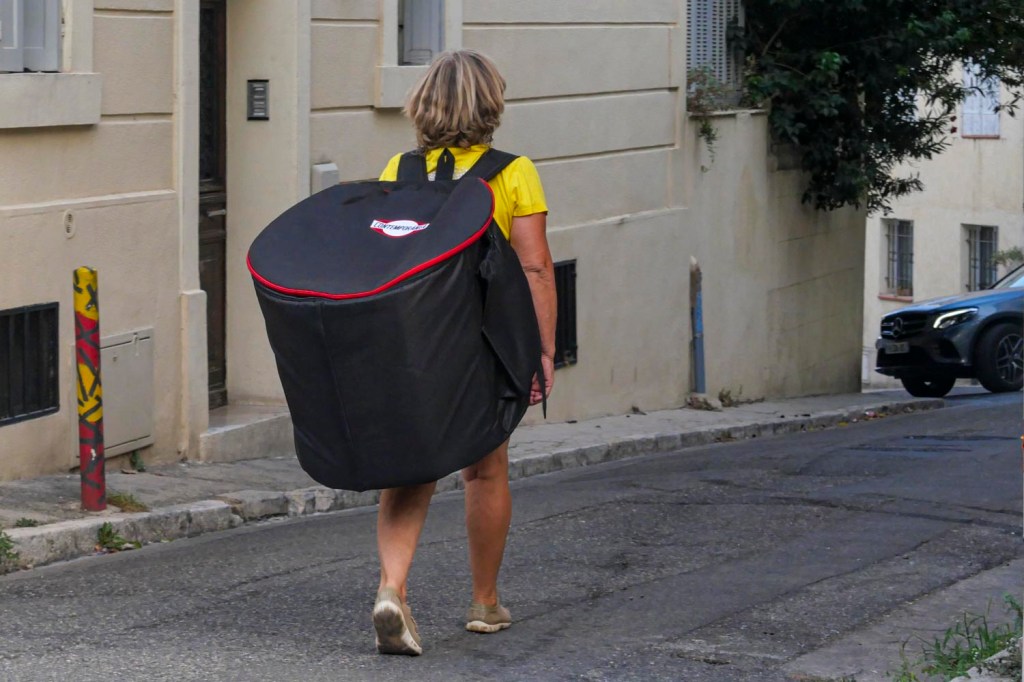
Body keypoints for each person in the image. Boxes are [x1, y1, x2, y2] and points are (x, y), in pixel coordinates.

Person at [371, 49, 556, 656]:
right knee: (485, 469)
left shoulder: (398, 170)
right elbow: (535, 266)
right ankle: (484, 602)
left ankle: (393, 589)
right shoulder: (513, 172)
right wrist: (542, 350)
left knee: (410, 468)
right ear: (490, 104)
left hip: (412, 340)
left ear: (424, 104)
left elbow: (385, 257)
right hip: (482, 340)